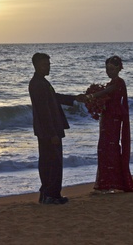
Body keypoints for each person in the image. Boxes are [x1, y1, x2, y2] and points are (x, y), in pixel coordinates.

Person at [29, 53, 86, 204]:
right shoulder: (38, 84)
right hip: (48, 130)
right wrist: (52, 133)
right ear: (36, 66)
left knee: (48, 161)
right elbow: (44, 112)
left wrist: (74, 98)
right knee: (53, 162)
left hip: (46, 130)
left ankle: (46, 194)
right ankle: (51, 195)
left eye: (48, 64)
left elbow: (55, 97)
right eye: (45, 65)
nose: (48, 67)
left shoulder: (41, 82)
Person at [85, 56, 133, 193]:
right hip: (106, 119)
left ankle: (113, 184)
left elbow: (109, 91)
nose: (109, 71)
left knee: (111, 148)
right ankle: (106, 184)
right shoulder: (111, 83)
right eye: (107, 69)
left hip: (114, 119)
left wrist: (92, 96)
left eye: (112, 69)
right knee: (104, 148)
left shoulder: (119, 82)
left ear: (119, 68)